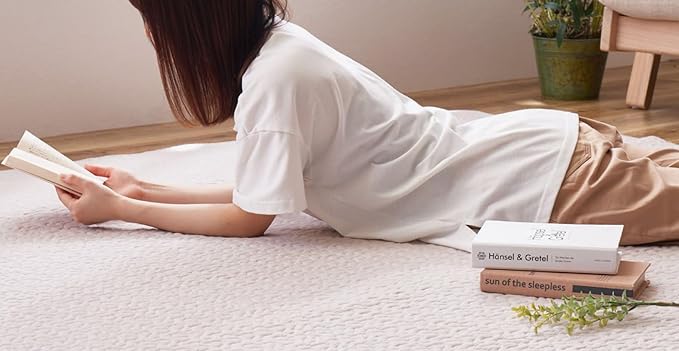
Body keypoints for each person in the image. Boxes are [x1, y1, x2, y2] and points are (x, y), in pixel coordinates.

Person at [57, 0, 679, 250]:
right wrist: (143, 188)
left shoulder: (273, 83)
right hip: (541, 151)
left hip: (552, 189)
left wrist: (125, 211)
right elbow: (268, 192)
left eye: (151, 19)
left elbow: (250, 220)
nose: (149, 34)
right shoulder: (281, 43)